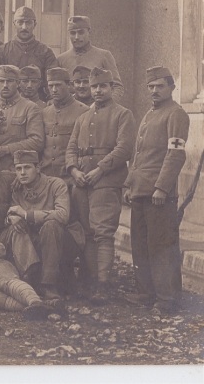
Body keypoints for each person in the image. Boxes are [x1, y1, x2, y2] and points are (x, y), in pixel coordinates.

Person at [66, 67, 135, 304]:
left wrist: (100, 169)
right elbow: (71, 148)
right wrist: (74, 170)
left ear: (111, 88)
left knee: (103, 233)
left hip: (106, 181)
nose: (97, 90)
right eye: (94, 86)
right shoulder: (83, 117)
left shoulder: (123, 114)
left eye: (102, 86)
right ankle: (92, 281)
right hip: (82, 182)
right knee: (86, 233)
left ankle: (103, 284)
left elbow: (124, 148)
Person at [123, 66, 190, 314]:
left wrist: (162, 188)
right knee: (140, 244)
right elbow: (138, 155)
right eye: (151, 86)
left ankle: (167, 298)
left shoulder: (176, 114)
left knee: (161, 245)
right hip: (141, 190)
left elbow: (175, 154)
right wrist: (130, 185)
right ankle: (146, 292)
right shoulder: (149, 114)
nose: (154, 90)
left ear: (171, 88)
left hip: (159, 194)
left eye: (160, 86)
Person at [0, 150, 82, 302]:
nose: (22, 173)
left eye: (27, 167)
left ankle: (47, 284)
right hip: (37, 242)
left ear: (38, 168)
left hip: (65, 239)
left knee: (51, 225)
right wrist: (11, 218)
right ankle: (30, 277)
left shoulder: (56, 184)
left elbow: (63, 215)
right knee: (16, 228)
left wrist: (26, 214)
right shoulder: (17, 190)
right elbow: (12, 213)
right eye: (18, 169)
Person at [0, 65, 45, 172]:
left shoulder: (30, 108)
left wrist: (6, 150)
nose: (5, 85)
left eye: (10, 81)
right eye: (1, 81)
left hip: (18, 172)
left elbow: (37, 142)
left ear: (18, 83)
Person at [0, 6, 59, 100]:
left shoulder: (45, 51)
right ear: (14, 24)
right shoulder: (3, 51)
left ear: (35, 24)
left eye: (28, 22)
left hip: (38, 101)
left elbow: (52, 81)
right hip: (11, 102)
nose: (24, 27)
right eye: (20, 22)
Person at [57, 16, 124, 102]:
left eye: (81, 32)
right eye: (73, 33)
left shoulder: (104, 55)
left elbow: (117, 86)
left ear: (89, 32)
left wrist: (107, 107)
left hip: (97, 109)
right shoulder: (61, 59)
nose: (77, 37)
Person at [39, 67, 89, 183]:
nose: (54, 90)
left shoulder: (83, 111)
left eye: (58, 85)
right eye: (51, 86)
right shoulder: (45, 112)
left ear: (69, 85)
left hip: (70, 177)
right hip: (46, 176)